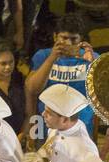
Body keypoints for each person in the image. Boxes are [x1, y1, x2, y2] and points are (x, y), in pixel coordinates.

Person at [27, 12, 96, 141]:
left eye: (73, 39)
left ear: (81, 40)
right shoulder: (42, 56)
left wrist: (93, 64)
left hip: (81, 126)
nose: (68, 43)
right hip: (47, 126)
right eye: (63, 38)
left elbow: (102, 94)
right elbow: (33, 88)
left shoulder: (91, 58)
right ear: (55, 37)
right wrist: (52, 58)